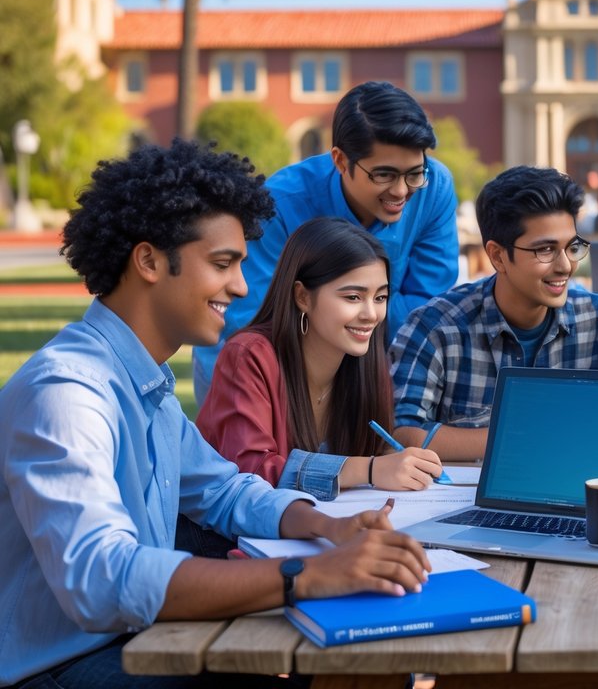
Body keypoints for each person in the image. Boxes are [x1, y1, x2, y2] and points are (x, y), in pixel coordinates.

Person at [0, 141, 431, 689]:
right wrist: (307, 573)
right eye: (223, 264)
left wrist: (328, 527)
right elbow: (101, 578)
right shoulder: (68, 391)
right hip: (55, 666)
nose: (242, 286)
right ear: (149, 261)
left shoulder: (146, 384)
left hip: (132, 638)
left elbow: (226, 491)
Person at [389, 166, 598, 461]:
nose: (565, 266)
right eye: (545, 250)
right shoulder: (436, 328)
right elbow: (400, 435)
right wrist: (533, 437)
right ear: (497, 256)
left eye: (572, 247)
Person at [192, 80, 460, 403]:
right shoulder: (279, 204)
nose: (402, 191)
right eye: (384, 175)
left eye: (414, 173)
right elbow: (252, 318)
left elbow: (427, 311)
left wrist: (332, 310)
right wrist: (356, 314)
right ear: (341, 161)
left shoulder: (435, 189)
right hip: (255, 366)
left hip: (369, 367)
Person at [197, 217, 443, 502]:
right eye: (353, 297)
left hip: (327, 523)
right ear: (302, 296)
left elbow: (376, 450)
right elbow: (250, 470)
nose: (371, 315)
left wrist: (399, 462)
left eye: (380, 297)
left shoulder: (366, 362)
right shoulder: (249, 356)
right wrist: (370, 469)